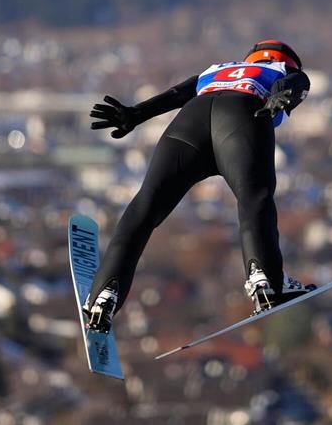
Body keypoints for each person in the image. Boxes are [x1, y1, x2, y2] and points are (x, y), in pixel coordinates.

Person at [83, 39, 315, 333]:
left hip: (189, 122)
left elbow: (175, 94)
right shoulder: (282, 69)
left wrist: (134, 115)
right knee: (253, 198)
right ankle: (266, 279)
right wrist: (280, 98)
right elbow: (297, 83)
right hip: (242, 116)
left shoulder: (217, 69)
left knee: (146, 205)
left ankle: (104, 293)